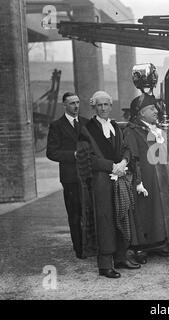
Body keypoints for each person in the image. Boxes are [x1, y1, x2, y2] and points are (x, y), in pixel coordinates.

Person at [77, 90, 141, 279]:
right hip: (101, 181)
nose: (103, 108)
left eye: (106, 104)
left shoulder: (115, 126)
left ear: (111, 106)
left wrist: (123, 163)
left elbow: (126, 149)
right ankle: (105, 264)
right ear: (94, 107)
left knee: (121, 215)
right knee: (104, 220)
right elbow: (86, 157)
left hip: (119, 177)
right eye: (99, 105)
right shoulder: (86, 129)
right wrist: (111, 166)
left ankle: (121, 257)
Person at [123, 93, 169, 263]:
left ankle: (159, 243)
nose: (156, 111)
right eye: (151, 108)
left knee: (160, 211)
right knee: (146, 211)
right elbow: (133, 157)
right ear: (141, 113)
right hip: (146, 179)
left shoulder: (157, 129)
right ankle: (142, 247)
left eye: (155, 108)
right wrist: (137, 181)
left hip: (162, 178)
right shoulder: (132, 131)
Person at [46, 92, 88, 259]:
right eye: (72, 103)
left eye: (77, 102)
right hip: (70, 177)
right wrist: (74, 155)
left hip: (87, 175)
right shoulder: (57, 126)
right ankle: (79, 249)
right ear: (64, 105)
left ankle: (90, 244)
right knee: (75, 213)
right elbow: (51, 152)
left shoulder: (86, 123)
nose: (76, 106)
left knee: (88, 211)